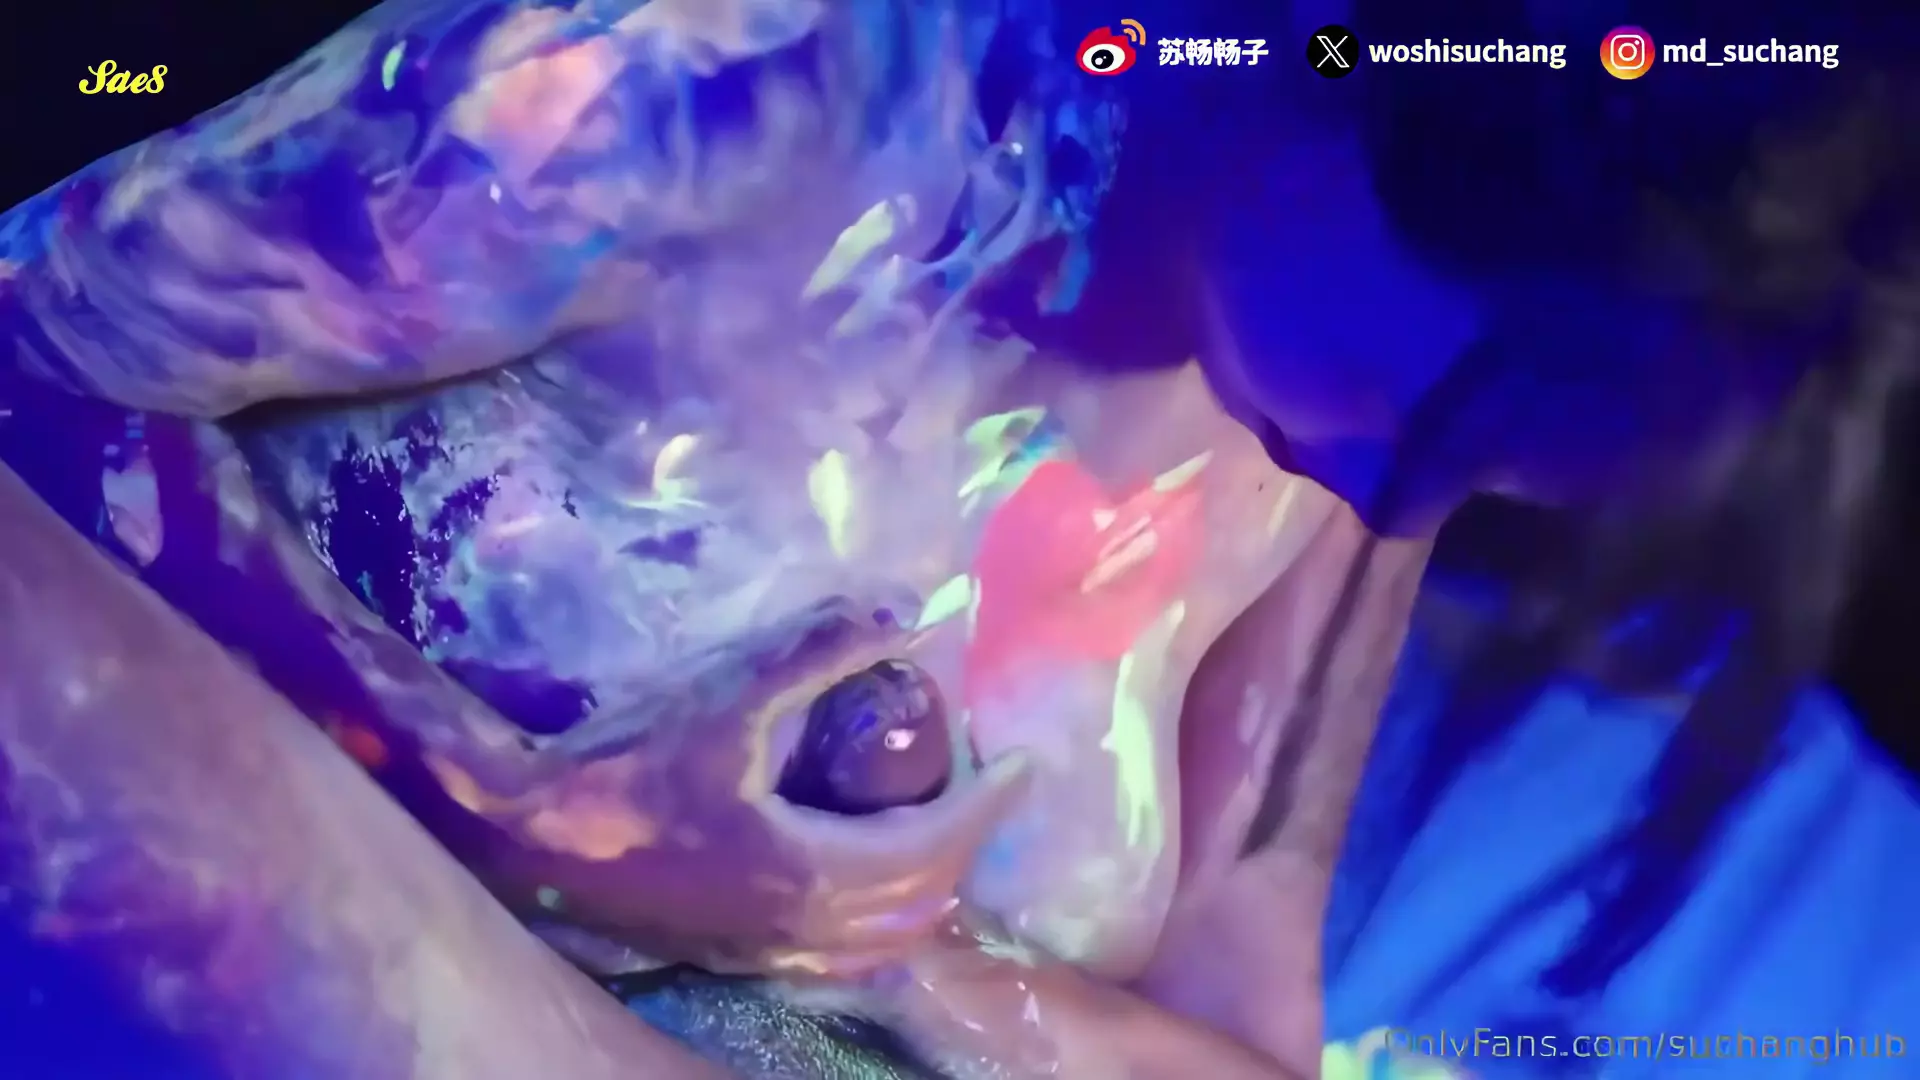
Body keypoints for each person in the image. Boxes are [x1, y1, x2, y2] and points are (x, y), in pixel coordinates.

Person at [1, 0, 1914, 1078]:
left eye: (1522, 480)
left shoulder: (1350, 457)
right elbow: (32, 358)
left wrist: (915, 968)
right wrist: (541, 820)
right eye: (1469, 408)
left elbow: (1236, 1017)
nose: (1417, 505)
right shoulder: (700, 91)